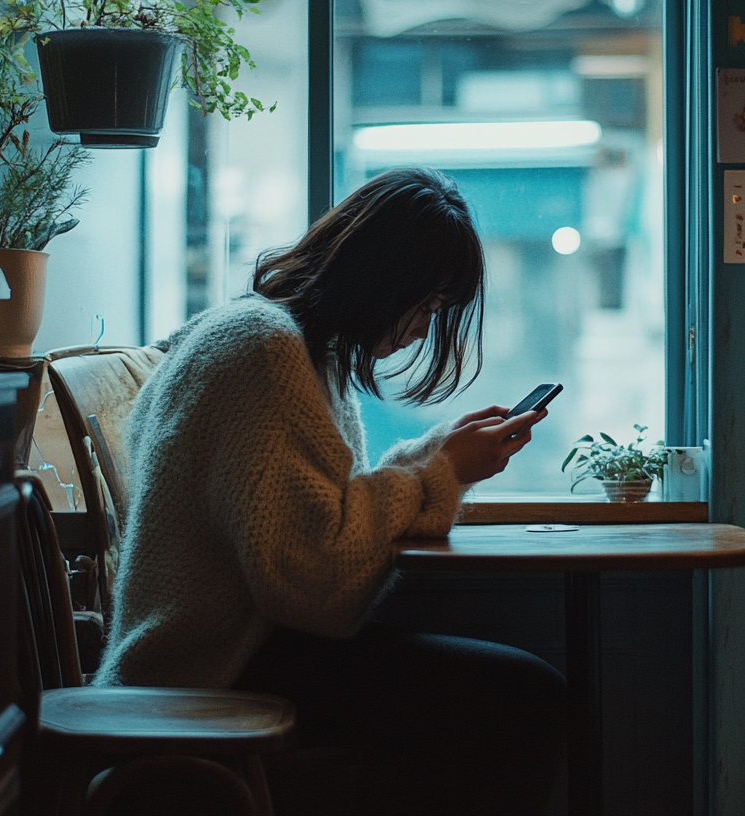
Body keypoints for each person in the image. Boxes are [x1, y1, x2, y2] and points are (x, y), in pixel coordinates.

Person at [94, 167, 565, 814]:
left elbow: (324, 517)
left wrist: (437, 455)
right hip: (213, 672)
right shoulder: (263, 352)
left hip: (240, 650)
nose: (424, 331)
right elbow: (311, 583)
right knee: (524, 697)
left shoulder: (289, 347)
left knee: (508, 694)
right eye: (425, 306)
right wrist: (442, 472)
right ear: (385, 280)